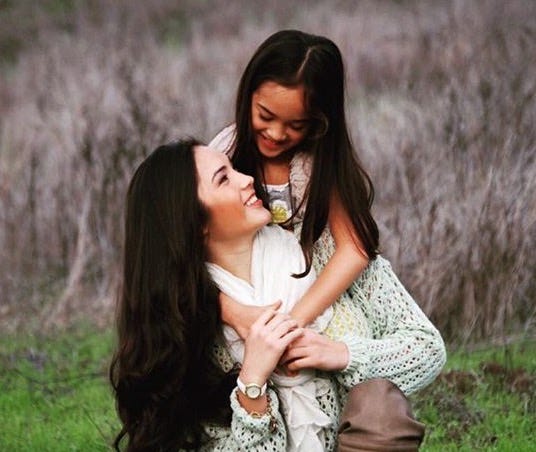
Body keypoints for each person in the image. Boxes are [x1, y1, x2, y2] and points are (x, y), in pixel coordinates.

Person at [110, 139, 428, 451]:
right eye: (223, 179)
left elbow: (426, 349)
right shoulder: (190, 327)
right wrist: (252, 382)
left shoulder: (331, 250)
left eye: (234, 168)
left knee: (379, 408)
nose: (247, 179)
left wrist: (341, 355)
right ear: (194, 221)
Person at [209, 29, 446, 398]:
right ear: (248, 95)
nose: (276, 133)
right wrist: (233, 311)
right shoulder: (226, 152)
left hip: (309, 286)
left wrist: (293, 323)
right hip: (243, 287)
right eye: (265, 115)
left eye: (296, 125)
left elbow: (354, 249)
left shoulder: (321, 166)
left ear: (320, 121)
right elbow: (183, 244)